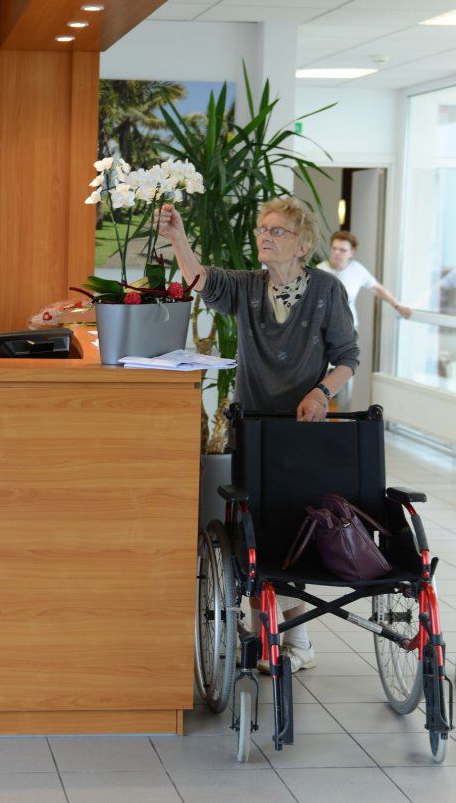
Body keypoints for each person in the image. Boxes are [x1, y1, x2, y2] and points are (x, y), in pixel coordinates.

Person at [156, 196, 360, 674]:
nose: (264, 237)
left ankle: (295, 638)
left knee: (292, 526)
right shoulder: (247, 288)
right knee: (252, 529)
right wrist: (178, 238)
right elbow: (201, 280)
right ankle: (276, 636)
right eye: (261, 230)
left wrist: (321, 393)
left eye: (276, 231)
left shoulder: (327, 291)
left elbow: (348, 356)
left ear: (303, 245)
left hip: (301, 430)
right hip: (253, 428)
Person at [317, 230, 410, 410]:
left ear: (351, 252)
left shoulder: (357, 270)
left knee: (345, 371)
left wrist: (398, 306)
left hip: (347, 330)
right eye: (334, 248)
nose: (337, 253)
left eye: (342, 250)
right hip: (321, 330)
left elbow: (377, 289)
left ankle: (344, 417)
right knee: (320, 373)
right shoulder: (320, 270)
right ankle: (319, 417)